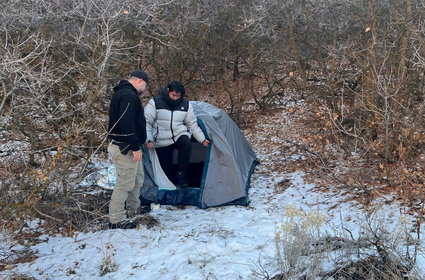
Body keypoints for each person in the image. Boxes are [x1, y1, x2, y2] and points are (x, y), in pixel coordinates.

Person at [145, 81, 210, 188]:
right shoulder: (155, 103)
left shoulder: (186, 105)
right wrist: (149, 139)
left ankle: (182, 174)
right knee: (166, 170)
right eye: (173, 95)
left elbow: (192, 124)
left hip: (178, 135)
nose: (176, 98)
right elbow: (146, 122)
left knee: (186, 142)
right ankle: (170, 183)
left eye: (178, 96)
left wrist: (202, 139)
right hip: (161, 139)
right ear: (168, 91)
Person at [107, 70, 149, 229]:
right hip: (125, 148)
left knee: (137, 178)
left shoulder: (126, 94)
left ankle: (133, 209)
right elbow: (126, 125)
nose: (144, 89)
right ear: (139, 81)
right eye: (145, 85)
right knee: (125, 183)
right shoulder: (127, 96)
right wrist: (135, 147)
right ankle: (116, 220)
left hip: (130, 146)